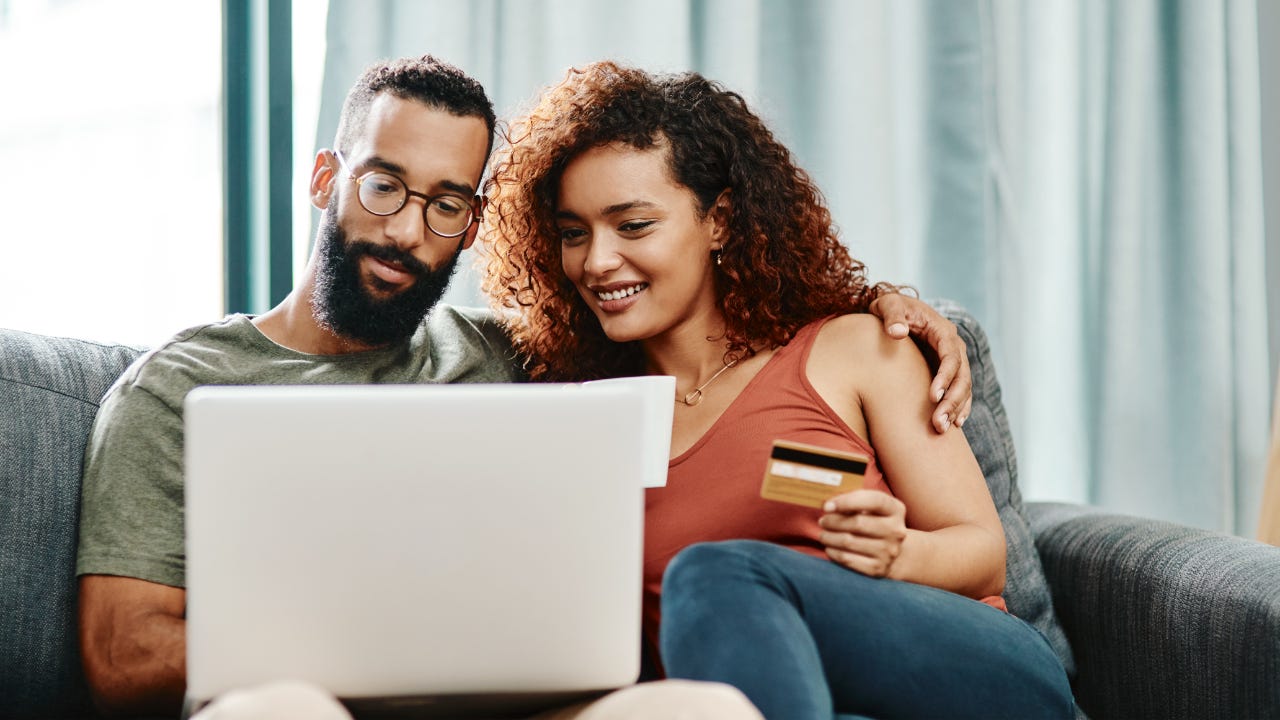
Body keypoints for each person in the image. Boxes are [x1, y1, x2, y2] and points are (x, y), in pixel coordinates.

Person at [74, 55, 969, 719]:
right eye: (383, 186)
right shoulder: (180, 386)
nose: (406, 231)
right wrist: (368, 647)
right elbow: (119, 655)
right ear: (325, 180)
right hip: (302, 702)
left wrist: (885, 304)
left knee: (705, 709)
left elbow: (726, 345)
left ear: (471, 228)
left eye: (445, 204)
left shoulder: (520, 360)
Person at [481, 60, 1076, 719]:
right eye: (574, 233)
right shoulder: (589, 420)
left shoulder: (857, 349)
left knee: (712, 574)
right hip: (779, 699)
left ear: (719, 221)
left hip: (972, 674)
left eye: (634, 225)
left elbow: (984, 555)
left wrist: (900, 552)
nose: (596, 261)